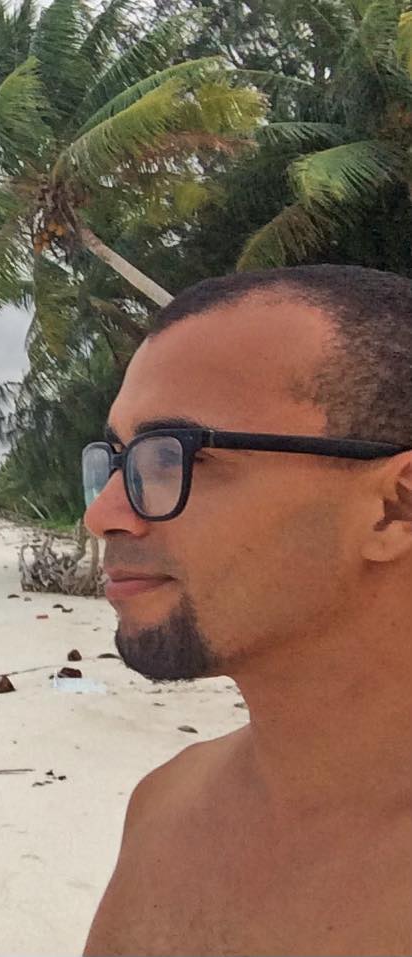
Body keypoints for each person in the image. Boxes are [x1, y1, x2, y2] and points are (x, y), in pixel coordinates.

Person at [78, 264, 412, 956]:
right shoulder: (164, 811)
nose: (103, 513)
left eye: (172, 456)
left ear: (394, 507)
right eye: (116, 460)